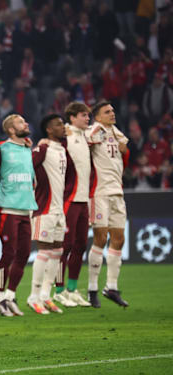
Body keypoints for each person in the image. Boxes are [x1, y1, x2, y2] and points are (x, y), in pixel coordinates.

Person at [27, 114, 75, 315]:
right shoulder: (43, 148)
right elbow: (28, 167)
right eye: (57, 124)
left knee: (57, 251)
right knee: (45, 251)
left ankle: (46, 295)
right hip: (43, 209)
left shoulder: (62, 150)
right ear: (48, 129)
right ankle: (34, 296)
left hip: (58, 209)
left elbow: (72, 175)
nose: (62, 126)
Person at [0, 114, 37, 317]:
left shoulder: (28, 149)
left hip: (26, 208)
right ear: (11, 129)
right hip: (7, 208)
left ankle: (10, 296)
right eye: (21, 122)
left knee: (24, 253)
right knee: (8, 253)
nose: (26, 123)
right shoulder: (1, 148)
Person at [86, 101, 129, 308]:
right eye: (107, 112)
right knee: (101, 238)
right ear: (97, 116)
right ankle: (92, 288)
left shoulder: (117, 132)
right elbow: (83, 145)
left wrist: (125, 151)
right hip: (99, 192)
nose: (112, 113)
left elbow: (122, 159)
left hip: (117, 192)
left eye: (113, 110)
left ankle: (111, 287)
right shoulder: (94, 130)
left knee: (119, 239)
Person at [55, 102, 94, 307]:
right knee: (65, 246)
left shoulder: (85, 137)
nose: (88, 118)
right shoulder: (66, 138)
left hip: (83, 200)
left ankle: (72, 289)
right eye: (83, 115)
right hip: (69, 199)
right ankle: (59, 289)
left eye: (88, 115)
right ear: (72, 118)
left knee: (80, 245)